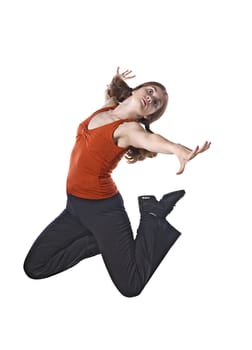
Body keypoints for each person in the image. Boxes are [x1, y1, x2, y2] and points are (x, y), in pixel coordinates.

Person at [23, 67, 211, 297]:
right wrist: (117, 78)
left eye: (156, 103)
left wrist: (176, 149)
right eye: (150, 91)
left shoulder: (129, 129)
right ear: (136, 89)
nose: (151, 98)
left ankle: (153, 215)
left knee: (131, 286)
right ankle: (99, 242)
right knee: (34, 267)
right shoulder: (109, 107)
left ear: (148, 116)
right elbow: (111, 92)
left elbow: (149, 140)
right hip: (75, 207)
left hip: (104, 211)